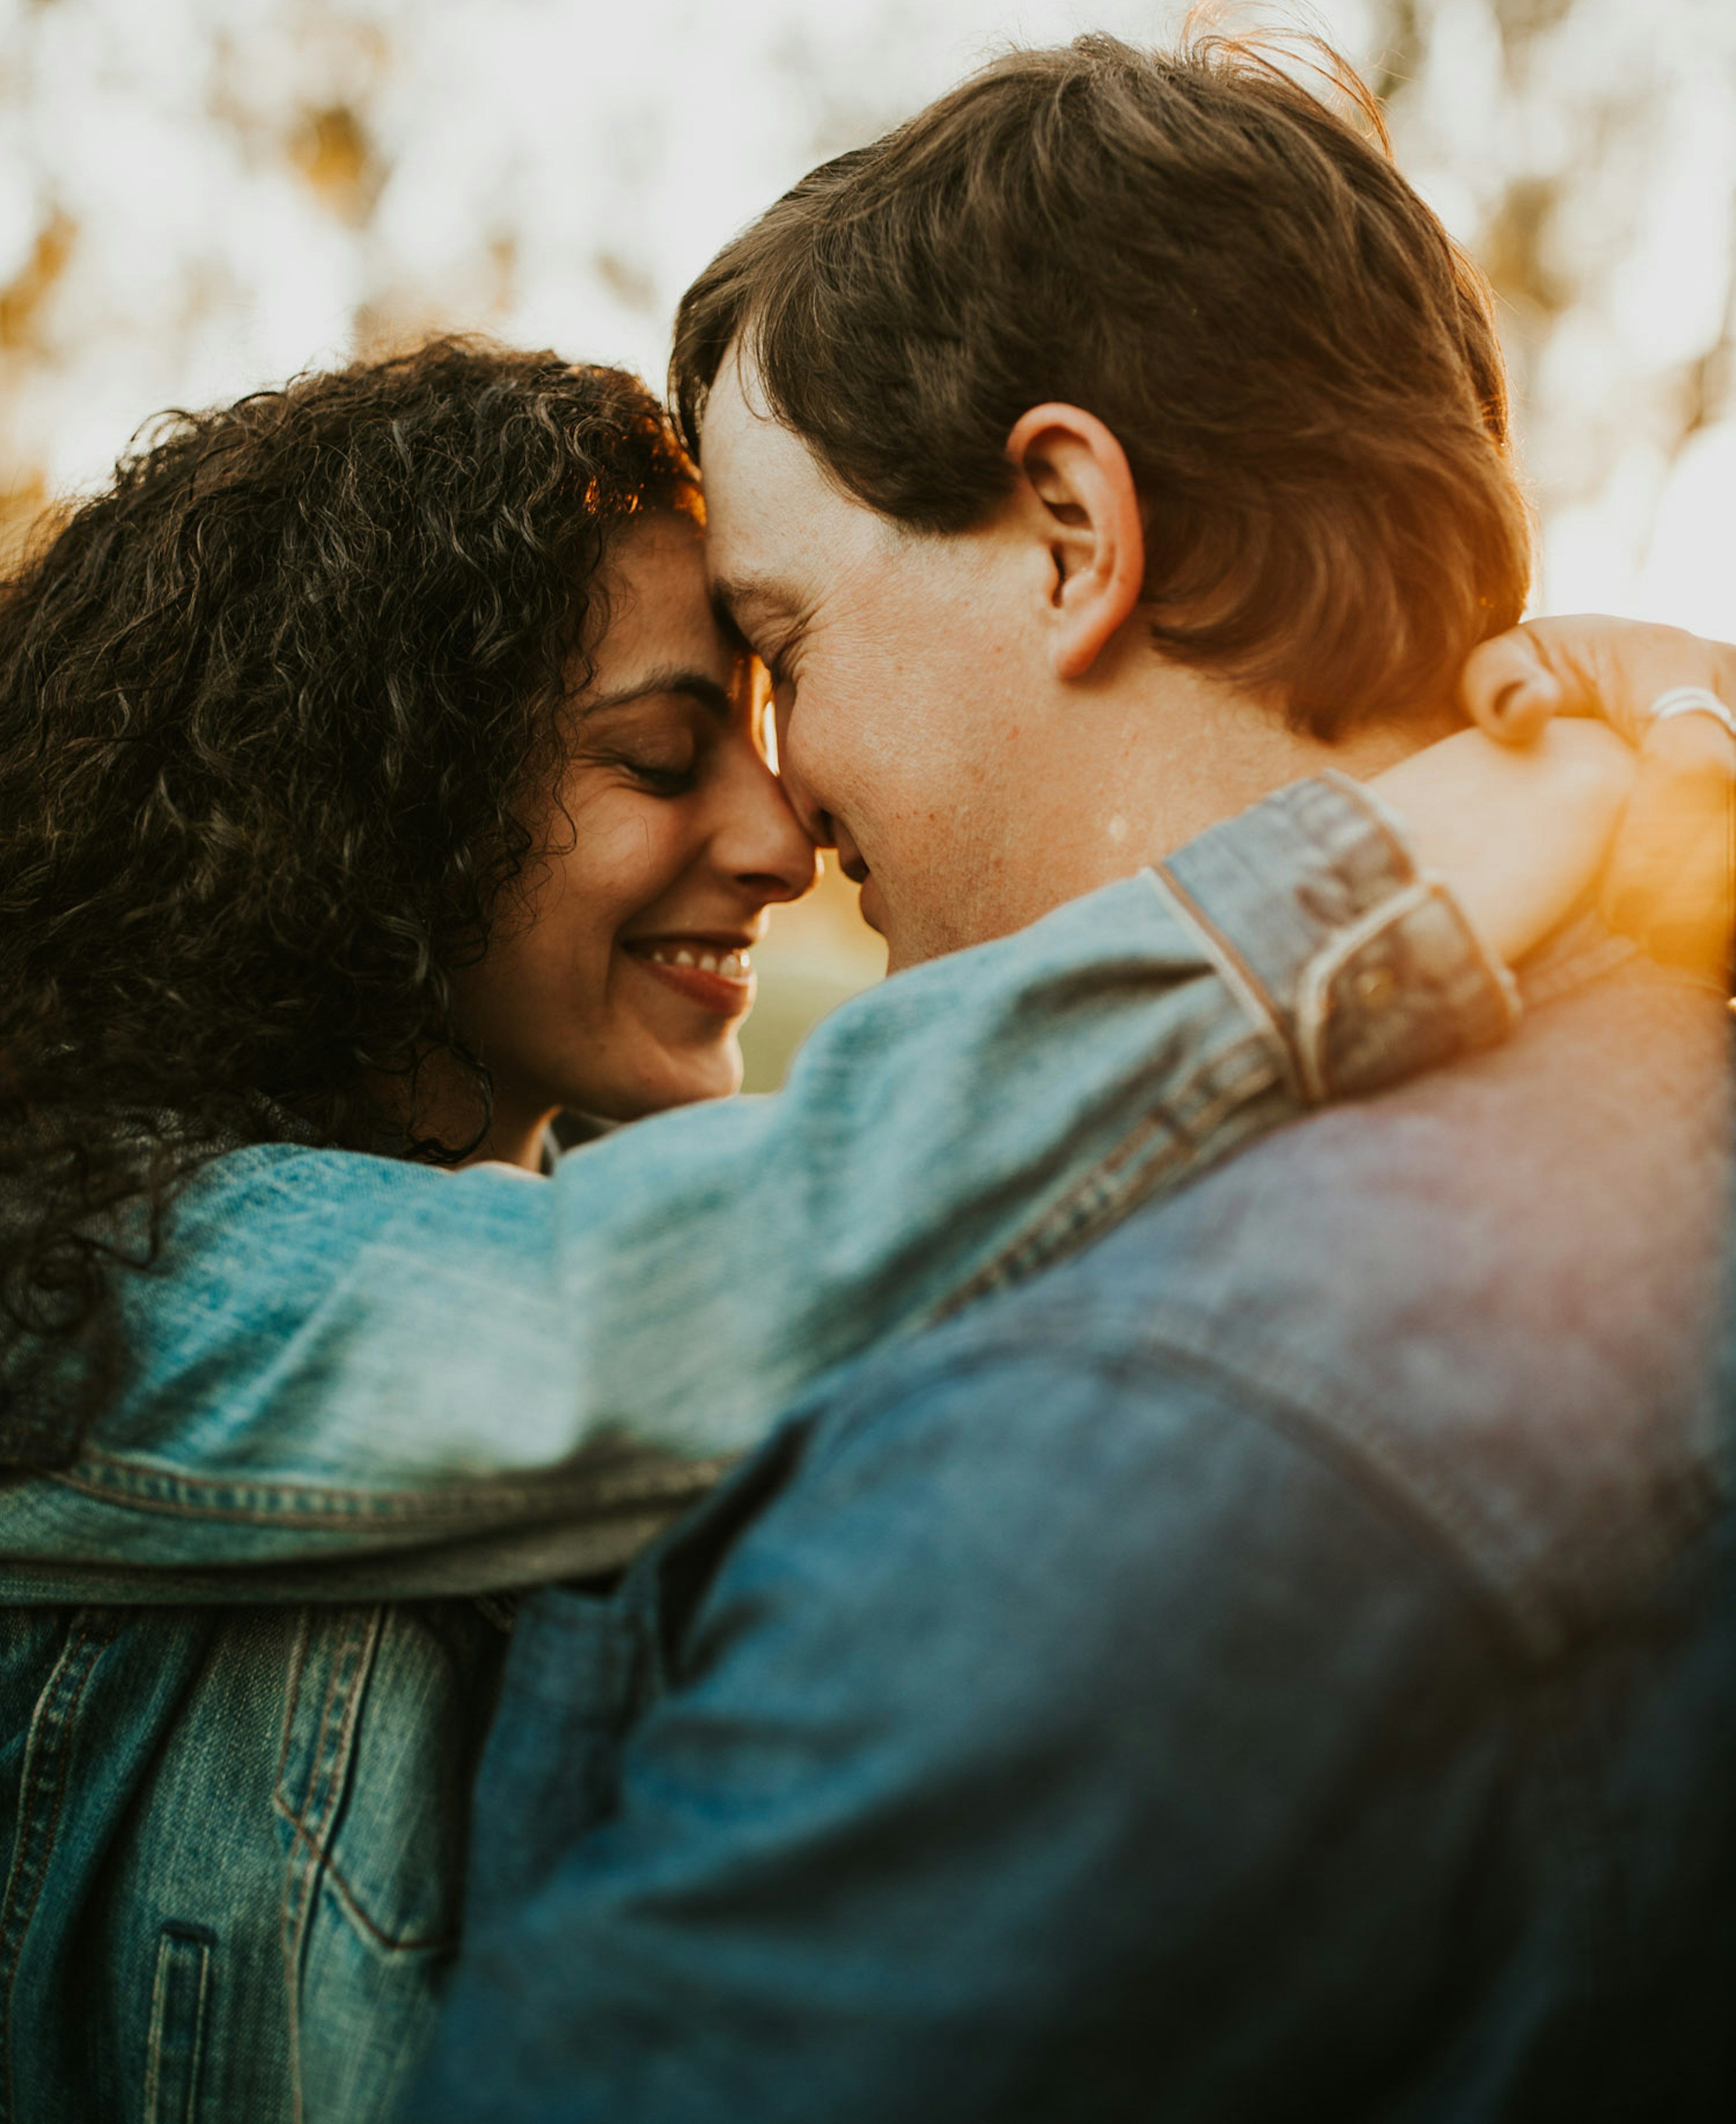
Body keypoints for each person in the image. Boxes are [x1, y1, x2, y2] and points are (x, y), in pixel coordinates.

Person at [0, 337, 1622, 2124]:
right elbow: (646, 1306)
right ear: (359, 799)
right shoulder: (85, 1280)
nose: (781, 836)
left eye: (769, 731)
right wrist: (1427, 848)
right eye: (662, 757)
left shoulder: (586, 1199)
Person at [413, 28, 1736, 2123]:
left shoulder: (1106, 1448)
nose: (786, 796)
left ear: (1067, 528)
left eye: (790, 644)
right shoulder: (1669, 1074)